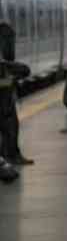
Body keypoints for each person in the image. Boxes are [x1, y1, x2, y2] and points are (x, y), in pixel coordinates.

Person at [0, 19, 32, 168]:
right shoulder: (5, 30)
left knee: (9, 125)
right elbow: (21, 68)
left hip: (6, 90)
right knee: (10, 125)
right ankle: (11, 155)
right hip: (4, 94)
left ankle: (9, 155)